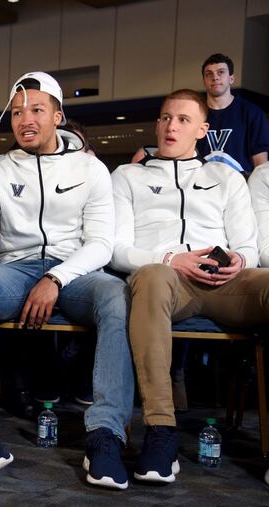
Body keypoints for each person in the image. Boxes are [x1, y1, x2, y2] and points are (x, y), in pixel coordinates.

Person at [0, 71, 133, 490]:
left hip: (77, 269)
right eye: (16, 112)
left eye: (35, 110)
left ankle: (105, 434)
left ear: (58, 116)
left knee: (117, 297)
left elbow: (102, 243)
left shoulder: (91, 168)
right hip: (15, 267)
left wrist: (55, 276)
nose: (24, 119)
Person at [111, 88, 269, 484]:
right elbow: (115, 250)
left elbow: (248, 246)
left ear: (202, 129)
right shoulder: (128, 176)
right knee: (150, 276)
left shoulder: (226, 178)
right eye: (165, 118)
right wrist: (169, 259)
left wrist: (239, 261)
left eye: (182, 120)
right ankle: (161, 431)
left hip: (226, 284)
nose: (170, 126)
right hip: (166, 281)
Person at [196, 53, 269, 173]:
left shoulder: (253, 114)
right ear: (204, 81)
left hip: (241, 187)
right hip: (202, 187)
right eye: (209, 74)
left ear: (231, 78)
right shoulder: (195, 114)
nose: (215, 77)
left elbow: (260, 164)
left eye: (221, 72)